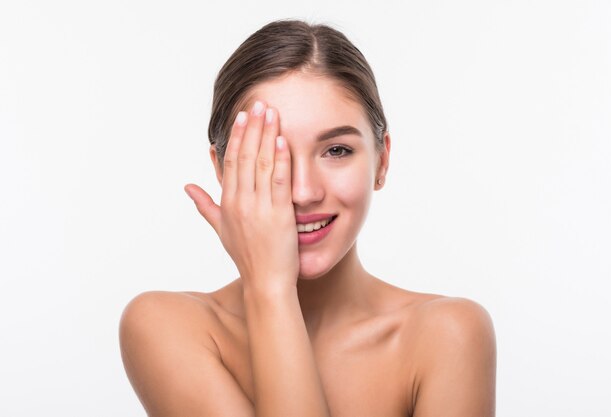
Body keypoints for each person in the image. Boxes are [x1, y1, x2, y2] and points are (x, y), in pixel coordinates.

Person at [119, 19, 496, 417]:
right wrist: (270, 287)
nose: (302, 192)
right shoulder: (167, 327)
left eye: (336, 150)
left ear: (382, 161)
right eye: (271, 155)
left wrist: (270, 286)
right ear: (224, 169)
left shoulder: (448, 335)